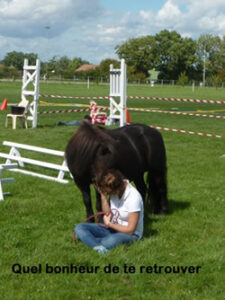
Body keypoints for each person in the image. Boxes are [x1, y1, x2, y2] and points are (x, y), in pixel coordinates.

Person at [74, 169, 144, 254]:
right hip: (112, 229)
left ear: (116, 190)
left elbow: (130, 230)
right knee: (80, 227)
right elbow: (107, 212)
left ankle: (92, 241)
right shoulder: (116, 190)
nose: (108, 193)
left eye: (108, 192)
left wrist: (109, 224)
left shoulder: (133, 198)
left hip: (130, 235)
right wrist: (103, 196)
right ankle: (98, 245)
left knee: (110, 241)